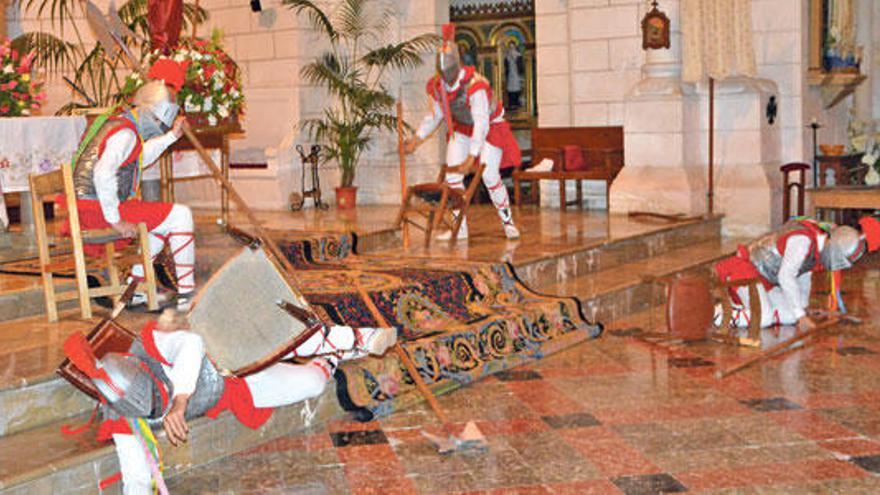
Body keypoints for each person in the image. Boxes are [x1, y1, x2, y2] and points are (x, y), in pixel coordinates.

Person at [63, 309, 397, 494]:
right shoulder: (122, 408)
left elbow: (192, 343)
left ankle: (356, 338)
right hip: (234, 389)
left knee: (273, 336)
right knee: (311, 382)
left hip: (230, 348)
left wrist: (179, 401)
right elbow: (135, 478)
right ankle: (334, 357)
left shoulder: (153, 343)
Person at [71, 60, 194, 310]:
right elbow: (102, 173)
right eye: (160, 124)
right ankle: (186, 295)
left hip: (87, 206)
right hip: (96, 210)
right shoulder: (125, 133)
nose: (158, 128)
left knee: (162, 221)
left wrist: (171, 137)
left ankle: (134, 289)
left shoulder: (120, 124)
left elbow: (137, 158)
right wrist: (115, 218)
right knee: (181, 214)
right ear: (150, 114)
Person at [404, 23, 521, 241]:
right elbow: (435, 116)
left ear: (456, 67)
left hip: (490, 127)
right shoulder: (438, 86)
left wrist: (472, 156)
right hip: (461, 129)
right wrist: (416, 139)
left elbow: (481, 122)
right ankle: (460, 228)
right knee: (452, 176)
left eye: (449, 72)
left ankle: (508, 223)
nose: (447, 78)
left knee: (489, 174)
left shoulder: (476, 85)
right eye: (443, 72)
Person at [715, 216, 880, 330]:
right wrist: (801, 315)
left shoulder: (821, 241)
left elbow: (803, 274)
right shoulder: (803, 240)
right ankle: (720, 313)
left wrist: (803, 309)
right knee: (764, 318)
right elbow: (786, 276)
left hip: (764, 280)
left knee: (790, 316)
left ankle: (749, 307)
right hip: (743, 271)